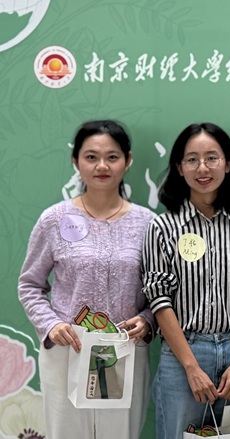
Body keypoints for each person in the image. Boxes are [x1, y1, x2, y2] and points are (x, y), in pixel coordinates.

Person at [17, 119, 156, 439]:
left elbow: (160, 292)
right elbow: (30, 284)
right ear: (75, 161)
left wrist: (147, 320)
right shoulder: (54, 219)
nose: (102, 166)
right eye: (91, 157)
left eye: (112, 157)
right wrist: (51, 324)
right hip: (69, 349)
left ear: (128, 161)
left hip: (123, 350)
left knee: (120, 434)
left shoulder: (148, 224)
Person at [142, 122, 230, 438]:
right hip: (183, 354)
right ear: (179, 167)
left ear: (228, 164)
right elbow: (160, 300)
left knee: (229, 435)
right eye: (192, 159)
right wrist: (191, 367)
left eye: (212, 158)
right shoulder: (163, 227)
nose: (203, 168)